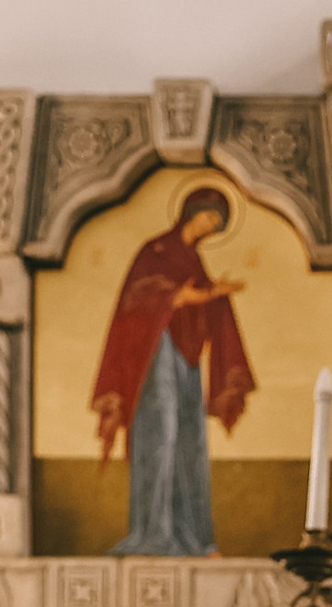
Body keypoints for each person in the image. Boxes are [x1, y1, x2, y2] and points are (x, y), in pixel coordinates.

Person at [89, 183, 254, 560]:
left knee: (189, 440)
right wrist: (198, 295)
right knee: (160, 436)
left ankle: (193, 538)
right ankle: (152, 534)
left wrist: (213, 293)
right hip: (153, 356)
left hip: (186, 360)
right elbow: (140, 299)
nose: (211, 227)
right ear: (191, 211)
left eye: (217, 224)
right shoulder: (156, 251)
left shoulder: (193, 260)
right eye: (210, 217)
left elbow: (197, 302)